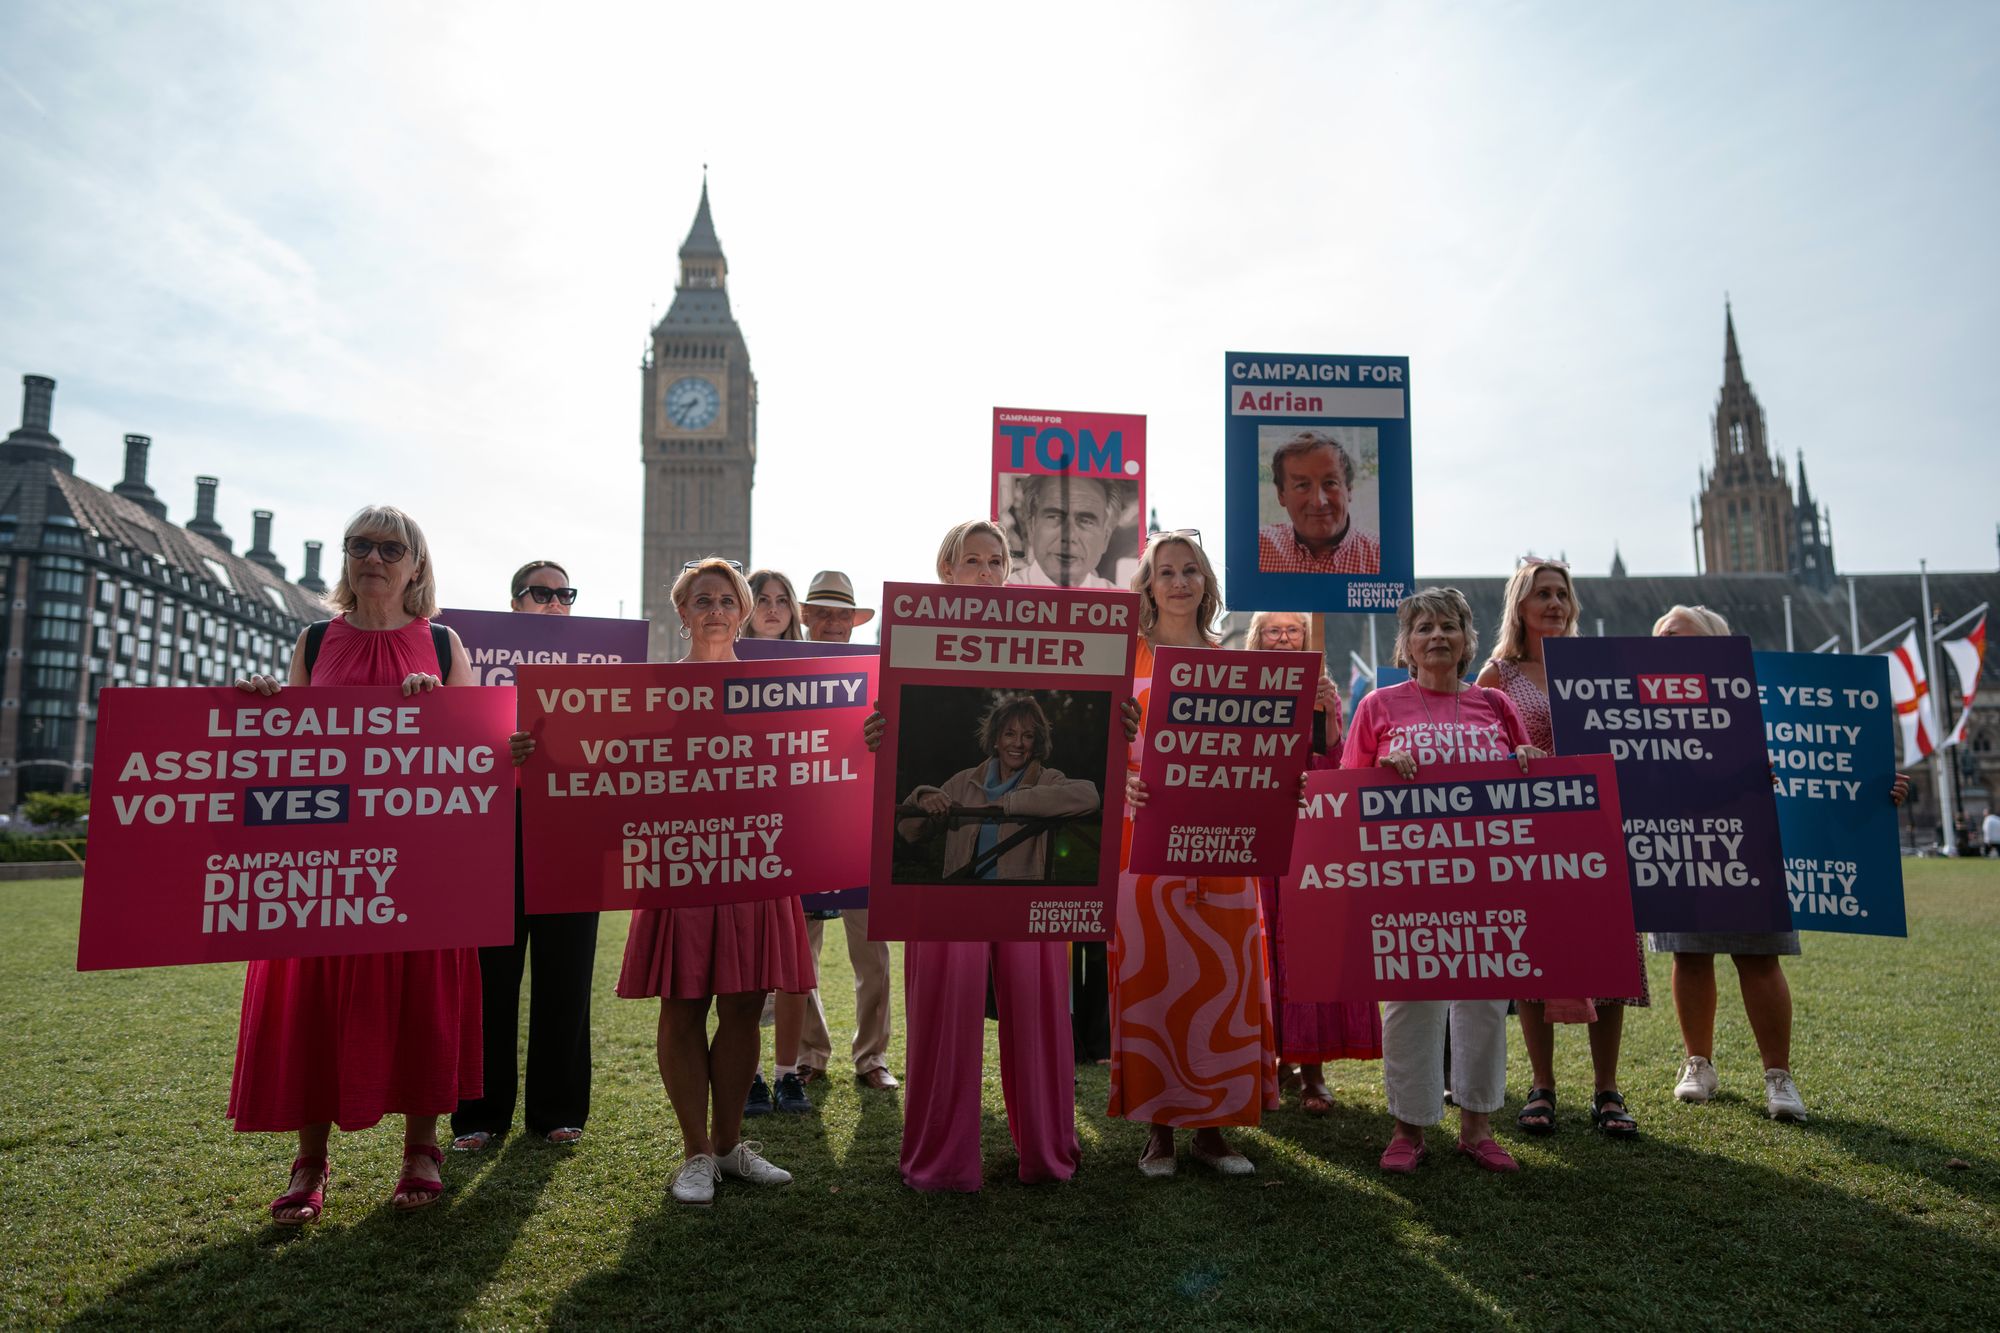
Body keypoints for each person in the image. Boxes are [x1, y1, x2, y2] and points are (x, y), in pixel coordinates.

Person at [520, 557, 814, 1205]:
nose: (715, 608)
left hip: (754, 860)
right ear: (681, 612)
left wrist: (864, 738)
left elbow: (816, 760)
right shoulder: (649, 687)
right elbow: (598, 764)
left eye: (725, 598)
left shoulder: (775, 685)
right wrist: (534, 750)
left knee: (742, 1003)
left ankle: (730, 1144)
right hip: (676, 862)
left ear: (742, 611)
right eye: (701, 599)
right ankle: (695, 1152)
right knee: (682, 1003)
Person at [231, 505, 480, 1222]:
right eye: (359, 545)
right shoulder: (313, 638)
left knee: (422, 996)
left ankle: (422, 1150)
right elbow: (288, 756)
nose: (373, 557)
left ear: (416, 564)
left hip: (422, 862)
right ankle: (309, 1162)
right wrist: (261, 708)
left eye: (389, 547)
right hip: (326, 864)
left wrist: (438, 713)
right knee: (316, 1000)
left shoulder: (442, 642)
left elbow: (478, 754)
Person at [867, 519, 1082, 1191]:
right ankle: (941, 1159)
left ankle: (1047, 1152)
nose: (986, 571)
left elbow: (1086, 792)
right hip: (952, 896)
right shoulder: (912, 643)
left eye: (998, 561)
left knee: (1041, 1014)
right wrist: (876, 735)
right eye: (973, 560)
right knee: (942, 1015)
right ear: (948, 571)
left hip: (1029, 895)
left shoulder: (1045, 644)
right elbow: (901, 822)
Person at [1650, 604, 1908, 1123]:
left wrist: (1880, 790)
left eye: (1680, 635)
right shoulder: (1643, 702)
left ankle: (1778, 1076)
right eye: (1662, 638)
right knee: (1690, 955)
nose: (1668, 644)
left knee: (1759, 958)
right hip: (1681, 839)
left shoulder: (1764, 695)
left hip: (1755, 841)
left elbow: (1820, 761)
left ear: (1716, 644)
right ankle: (1697, 1063)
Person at [1345, 587, 1545, 1174]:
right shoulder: (1377, 707)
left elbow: (1523, 785)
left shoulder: (1494, 705)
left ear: (1466, 640)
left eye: (1449, 627)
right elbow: (1346, 793)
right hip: (1407, 882)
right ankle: (1409, 1128)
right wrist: (1380, 771)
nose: (1437, 636)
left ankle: (1478, 1126)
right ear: (1405, 645)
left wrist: (1528, 763)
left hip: (1485, 878)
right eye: (1424, 627)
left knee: (1483, 1001)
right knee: (1411, 1002)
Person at [1115, 531, 1278, 1176]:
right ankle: (1158, 1131)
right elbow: (1088, 740)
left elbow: (1260, 754)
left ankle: (1214, 1129)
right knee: (1153, 982)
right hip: (1145, 843)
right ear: (1148, 586)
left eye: (1189, 571)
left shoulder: (1233, 660)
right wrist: (1117, 773)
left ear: (1207, 582)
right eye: (1166, 572)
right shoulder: (1126, 659)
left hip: (1224, 848)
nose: (1178, 581)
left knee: (1224, 981)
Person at [1475, 558, 1649, 1139]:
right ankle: (1542, 1085)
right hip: (1530, 836)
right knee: (1533, 957)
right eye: (1541, 594)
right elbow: (1474, 750)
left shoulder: (1600, 670)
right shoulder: (1497, 676)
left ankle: (1607, 1089)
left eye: (1562, 594)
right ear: (1519, 606)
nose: (1553, 603)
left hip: (1598, 827)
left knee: (1611, 954)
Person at [450, 562, 600, 1154]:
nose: (557, 602)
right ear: (514, 604)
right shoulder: (476, 662)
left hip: (570, 827)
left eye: (566, 593)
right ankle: (478, 1113)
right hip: (495, 829)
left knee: (568, 975)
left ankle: (558, 1109)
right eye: (543, 593)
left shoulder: (599, 665)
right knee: (490, 976)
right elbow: (451, 740)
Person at [1245, 610, 1381, 1114]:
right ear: (1256, 638)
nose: (1284, 637)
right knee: (1262, 950)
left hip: (1309, 832)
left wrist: (1325, 723)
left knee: (1307, 947)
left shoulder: (1324, 692)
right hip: (1256, 833)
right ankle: (1271, 1064)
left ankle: (1313, 1071)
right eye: (1273, 630)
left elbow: (1337, 766)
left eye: (1293, 630)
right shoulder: (1242, 690)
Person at [769, 567, 898, 1097]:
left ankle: (872, 1056)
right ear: (807, 618)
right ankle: (809, 1053)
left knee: (872, 949)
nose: (830, 622)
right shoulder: (781, 670)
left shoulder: (877, 669)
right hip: (802, 821)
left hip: (861, 823)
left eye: (839, 614)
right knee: (803, 949)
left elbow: (897, 736)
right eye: (820, 612)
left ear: (853, 620)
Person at [895, 693, 1100, 880]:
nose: (1018, 744)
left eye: (1027, 736)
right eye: (1009, 734)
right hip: (961, 900)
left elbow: (1090, 797)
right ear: (996, 740)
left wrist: (1011, 803)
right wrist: (922, 798)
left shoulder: (1046, 779)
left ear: (1036, 743)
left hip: (1020, 903)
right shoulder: (963, 781)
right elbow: (910, 833)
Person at [1256, 431, 1381, 575]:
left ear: (1349, 489)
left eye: (1330, 483)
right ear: (1281, 494)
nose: (1318, 502)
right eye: (1302, 485)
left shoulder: (1381, 556)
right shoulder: (1257, 547)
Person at [1006, 474, 1122, 589]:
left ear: (1105, 539)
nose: (1069, 536)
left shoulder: (1121, 602)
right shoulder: (1002, 594)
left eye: (1086, 521)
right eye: (1054, 517)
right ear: (1031, 527)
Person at [799, 569, 875, 642]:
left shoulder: (870, 655)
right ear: (805, 616)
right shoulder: (788, 654)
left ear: (852, 619)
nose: (834, 621)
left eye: (844, 613)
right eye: (823, 612)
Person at [746, 569, 804, 641]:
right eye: (763, 600)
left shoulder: (809, 652)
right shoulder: (729, 651)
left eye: (782, 600)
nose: (773, 609)